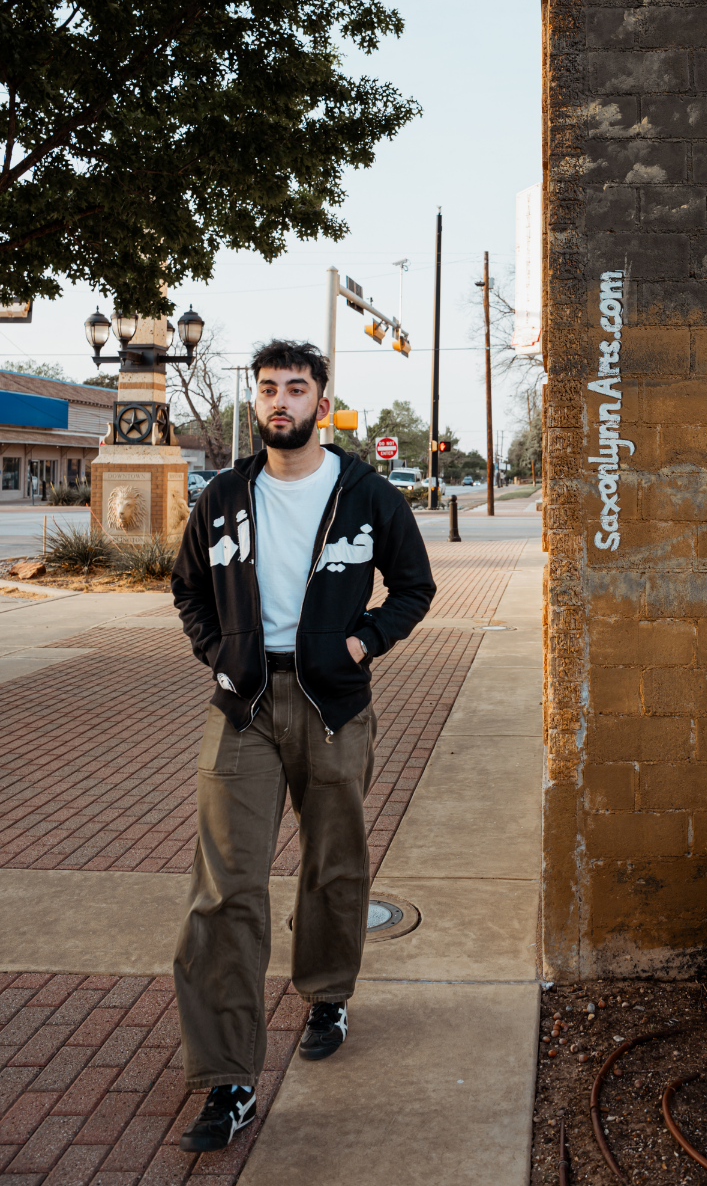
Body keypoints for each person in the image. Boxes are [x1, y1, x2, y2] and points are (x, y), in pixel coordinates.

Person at [170, 339, 435, 1153]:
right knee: (225, 891)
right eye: (267, 389)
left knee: (333, 864)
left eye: (295, 387)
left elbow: (414, 587)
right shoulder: (223, 496)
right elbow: (188, 588)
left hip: (333, 706)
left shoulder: (368, 495)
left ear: (323, 400)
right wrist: (219, 652)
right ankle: (228, 1077)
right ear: (255, 402)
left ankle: (326, 992)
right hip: (242, 706)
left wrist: (362, 643)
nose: (280, 400)